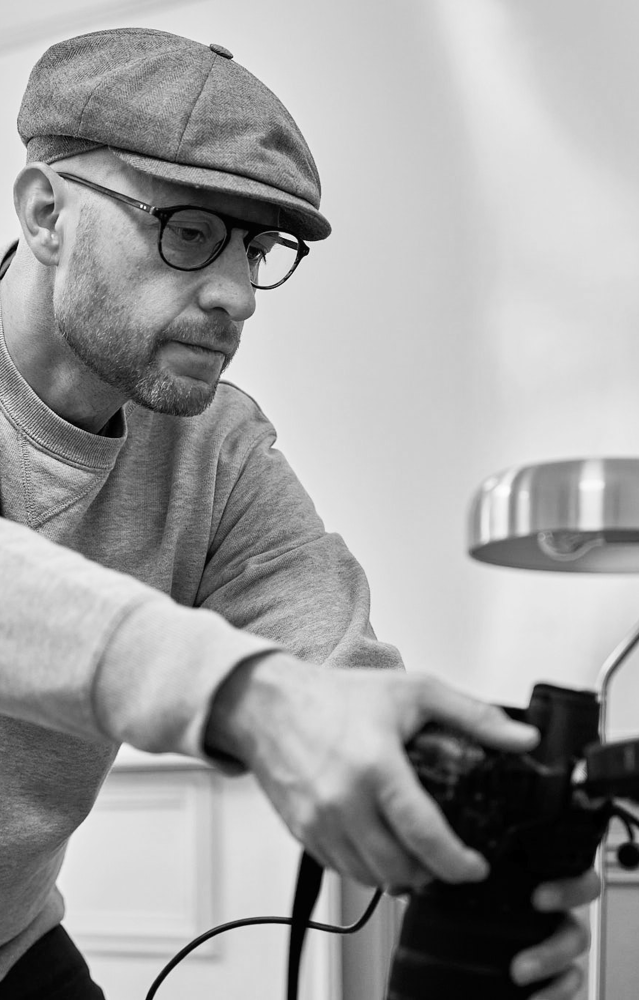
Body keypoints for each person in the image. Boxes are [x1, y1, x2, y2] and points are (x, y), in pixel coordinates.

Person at [0, 26, 598, 999]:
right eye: (188, 231)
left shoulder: (213, 448)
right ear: (45, 214)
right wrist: (253, 699)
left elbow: (339, 678)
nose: (235, 292)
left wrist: (489, 841)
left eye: (257, 247)